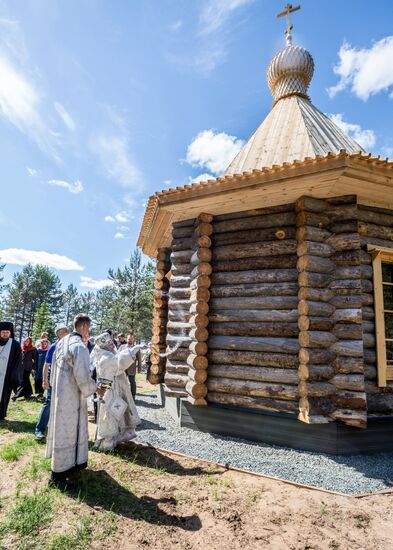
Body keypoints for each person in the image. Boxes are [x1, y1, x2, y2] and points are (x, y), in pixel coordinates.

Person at [46, 313, 104, 490]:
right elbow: (83, 376)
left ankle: (72, 466)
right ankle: (58, 476)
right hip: (71, 397)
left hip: (60, 395)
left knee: (65, 432)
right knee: (68, 433)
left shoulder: (62, 342)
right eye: (90, 328)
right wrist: (96, 388)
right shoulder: (79, 347)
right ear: (85, 327)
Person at [93, 332, 141, 452]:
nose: (112, 345)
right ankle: (106, 444)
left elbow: (118, 362)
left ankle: (116, 439)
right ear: (104, 346)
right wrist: (134, 349)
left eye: (111, 343)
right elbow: (119, 362)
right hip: (109, 391)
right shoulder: (106, 358)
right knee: (110, 415)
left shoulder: (109, 354)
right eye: (109, 344)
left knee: (118, 413)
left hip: (114, 388)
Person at [35, 325, 69, 441]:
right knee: (49, 403)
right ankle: (40, 430)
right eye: (65, 332)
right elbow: (46, 365)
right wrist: (45, 380)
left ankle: (60, 431)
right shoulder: (54, 347)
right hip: (53, 378)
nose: (68, 334)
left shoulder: (70, 346)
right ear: (59, 334)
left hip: (66, 380)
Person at [0, 321, 22, 420]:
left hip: (6, 376)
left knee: (4, 396)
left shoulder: (15, 345)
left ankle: (1, 415)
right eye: (3, 332)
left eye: (7, 332)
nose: (5, 334)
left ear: (10, 333)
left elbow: (18, 362)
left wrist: (14, 375)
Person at [13, 336, 37, 401]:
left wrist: (33, 368)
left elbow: (36, 359)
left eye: (28, 341)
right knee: (26, 381)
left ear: (30, 342)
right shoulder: (22, 348)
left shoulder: (33, 349)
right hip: (21, 367)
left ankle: (17, 395)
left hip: (28, 367)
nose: (26, 342)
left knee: (23, 381)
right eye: (25, 341)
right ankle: (28, 394)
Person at [119, 333, 142, 400]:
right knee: (121, 382)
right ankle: (122, 395)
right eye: (129, 339)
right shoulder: (122, 347)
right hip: (123, 368)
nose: (130, 340)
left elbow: (139, 359)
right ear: (127, 339)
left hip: (132, 368)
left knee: (132, 382)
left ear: (133, 339)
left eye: (131, 339)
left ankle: (133, 396)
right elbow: (118, 356)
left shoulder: (137, 348)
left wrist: (139, 369)